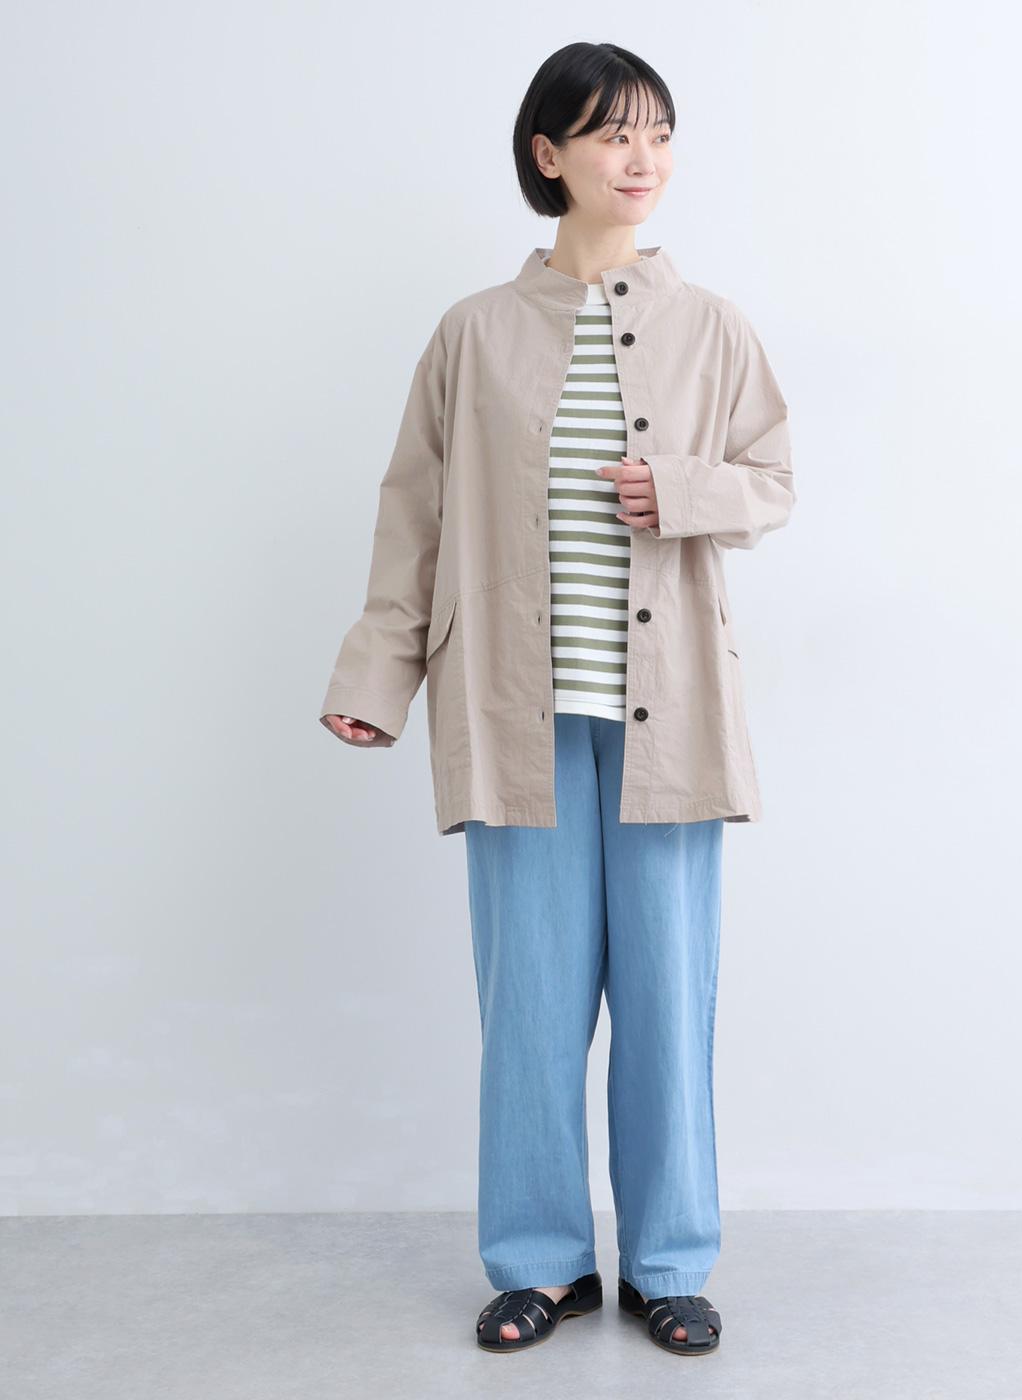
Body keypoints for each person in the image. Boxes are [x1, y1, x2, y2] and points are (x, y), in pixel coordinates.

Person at [319, 41, 793, 1357]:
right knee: (528, 1004)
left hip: (670, 719)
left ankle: (670, 1264)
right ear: (551, 155)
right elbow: (414, 517)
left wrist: (681, 491)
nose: (643, 160)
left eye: (660, 134)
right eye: (612, 134)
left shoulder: (712, 326)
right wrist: (378, 677)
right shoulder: (473, 333)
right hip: (511, 715)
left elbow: (772, 481)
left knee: (668, 1002)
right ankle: (541, 1263)